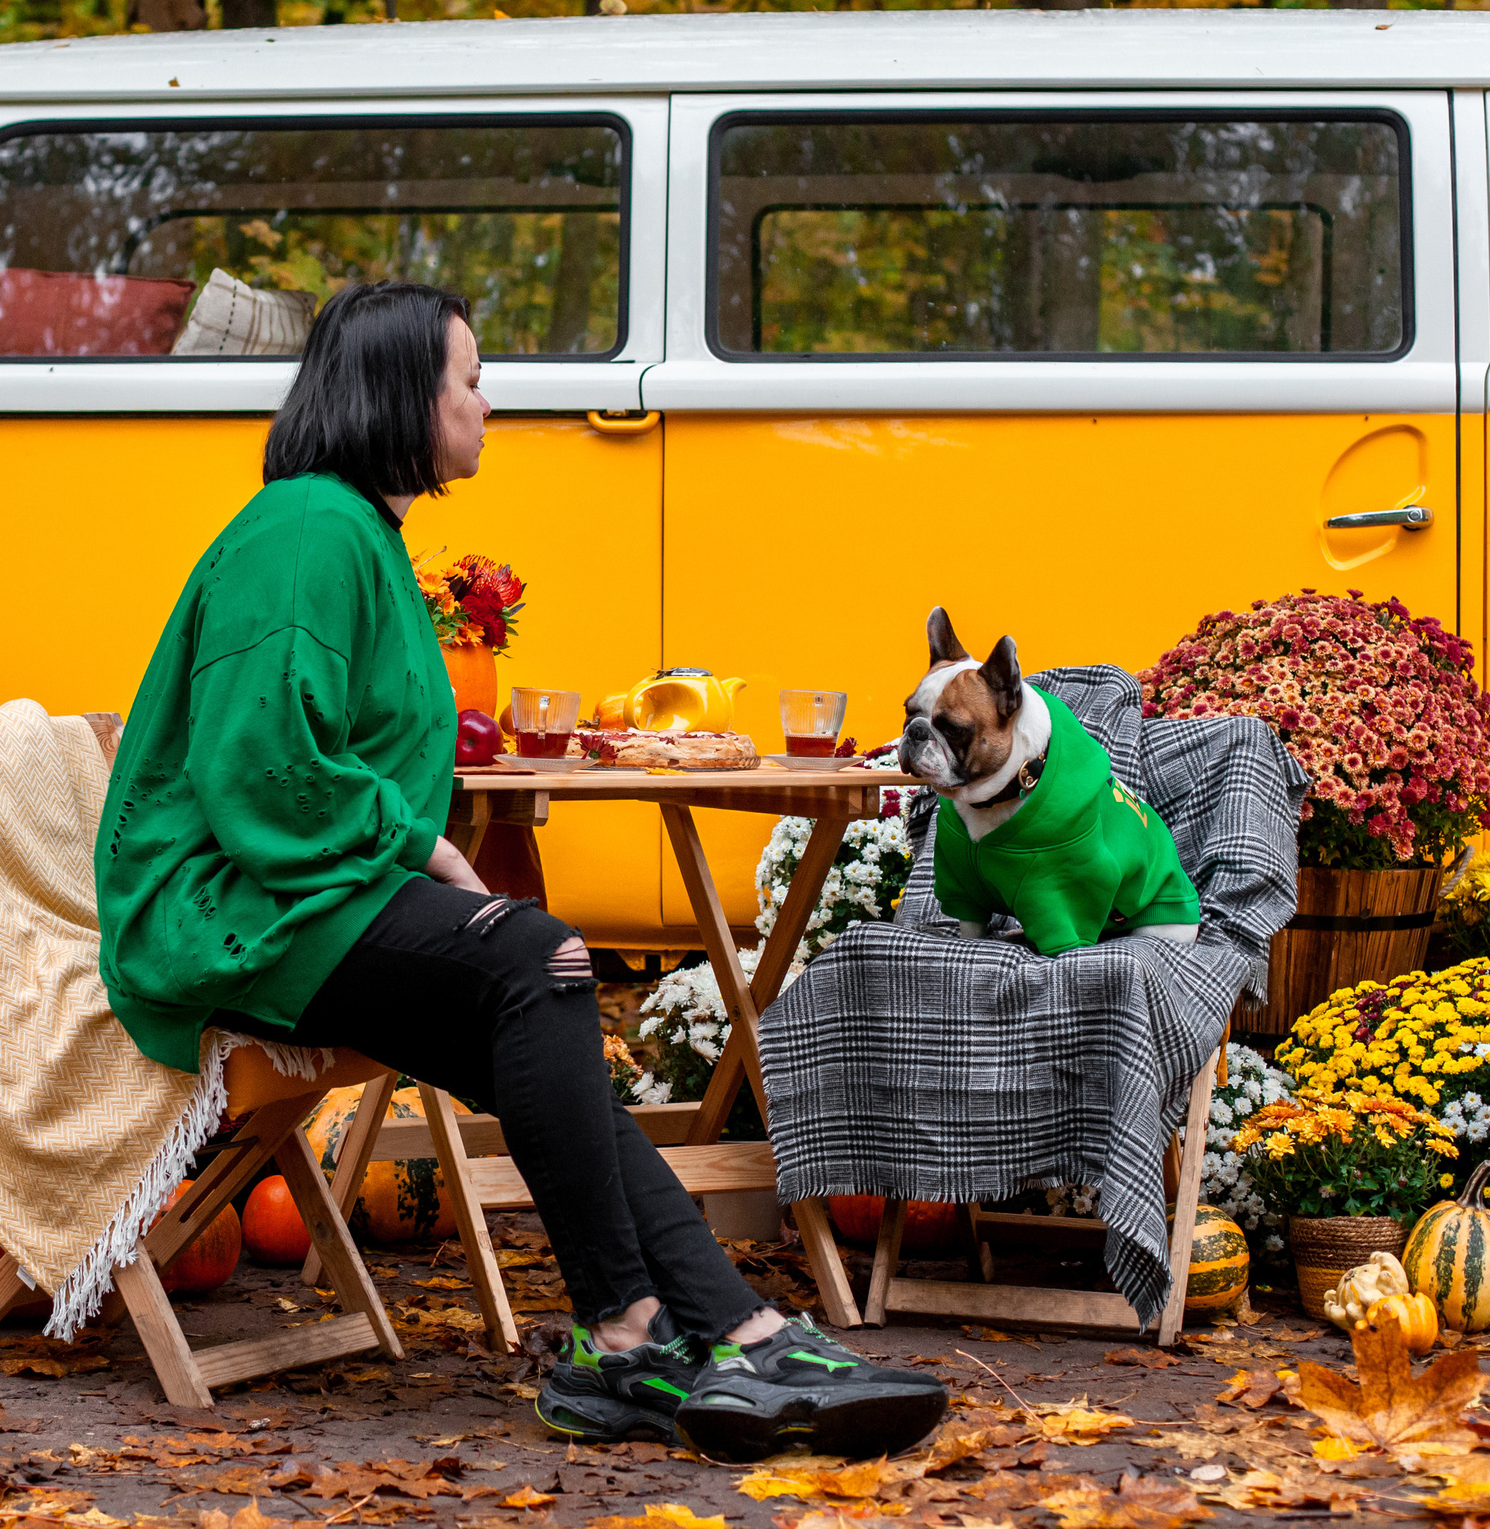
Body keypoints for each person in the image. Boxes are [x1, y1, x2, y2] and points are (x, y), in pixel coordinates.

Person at [94, 280, 947, 1461]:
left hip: (314, 901)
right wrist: (437, 852)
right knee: (539, 953)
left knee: (540, 1019)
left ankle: (736, 1331)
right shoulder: (304, 529)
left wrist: (425, 862)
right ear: (403, 392)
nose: (489, 404)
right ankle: (627, 1330)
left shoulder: (359, 533)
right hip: (236, 912)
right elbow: (267, 768)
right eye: (472, 377)